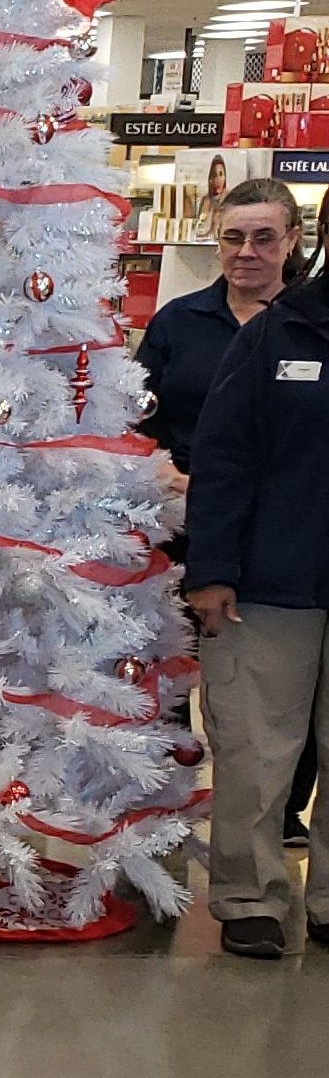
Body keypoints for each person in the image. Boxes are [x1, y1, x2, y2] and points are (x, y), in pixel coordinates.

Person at [180, 249, 329, 959]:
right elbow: (223, 454)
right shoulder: (275, 335)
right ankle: (248, 894)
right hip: (270, 580)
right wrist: (209, 569)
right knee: (255, 750)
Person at [141, 178, 305, 484]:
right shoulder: (177, 321)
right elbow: (134, 410)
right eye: (233, 238)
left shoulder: (314, 325)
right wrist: (164, 472)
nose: (246, 251)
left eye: (263, 238)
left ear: (291, 240)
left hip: (288, 513)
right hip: (184, 505)